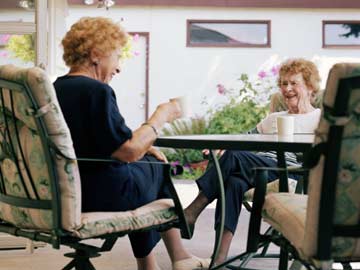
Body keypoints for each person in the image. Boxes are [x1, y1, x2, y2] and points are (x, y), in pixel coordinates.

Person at [54, 17, 209, 270]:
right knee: (158, 167)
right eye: (116, 56)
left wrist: (143, 146)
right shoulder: (97, 91)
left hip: (70, 192)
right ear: (96, 54)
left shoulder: (57, 89)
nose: (118, 68)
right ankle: (170, 260)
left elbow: (94, 141)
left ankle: (164, 262)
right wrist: (162, 116)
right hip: (105, 194)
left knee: (148, 163)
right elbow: (128, 151)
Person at [183, 58, 322, 266]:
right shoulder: (274, 118)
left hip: (293, 172)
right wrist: (221, 146)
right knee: (233, 182)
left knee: (234, 156)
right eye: (284, 83)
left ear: (310, 87)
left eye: (294, 83)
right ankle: (219, 257)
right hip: (261, 170)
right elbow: (244, 139)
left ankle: (195, 208)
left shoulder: (320, 118)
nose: (287, 88)